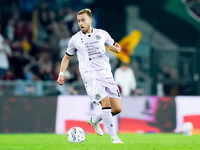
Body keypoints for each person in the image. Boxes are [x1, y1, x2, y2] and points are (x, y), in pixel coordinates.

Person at [57, 8, 123, 144]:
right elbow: (67, 57)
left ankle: (94, 120)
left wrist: (117, 48)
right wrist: (61, 72)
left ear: (90, 20)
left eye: (83, 20)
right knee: (105, 102)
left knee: (117, 109)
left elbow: (116, 46)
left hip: (106, 73)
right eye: (78, 21)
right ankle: (114, 138)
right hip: (90, 76)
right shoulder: (75, 39)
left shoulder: (102, 34)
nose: (81, 23)